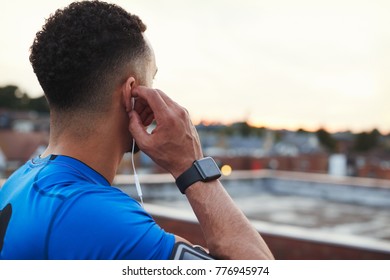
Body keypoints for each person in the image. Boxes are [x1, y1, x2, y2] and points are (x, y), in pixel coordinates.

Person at [0, 0, 273, 260]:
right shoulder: (92, 215)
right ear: (131, 92)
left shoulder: (18, 183)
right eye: (152, 78)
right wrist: (193, 166)